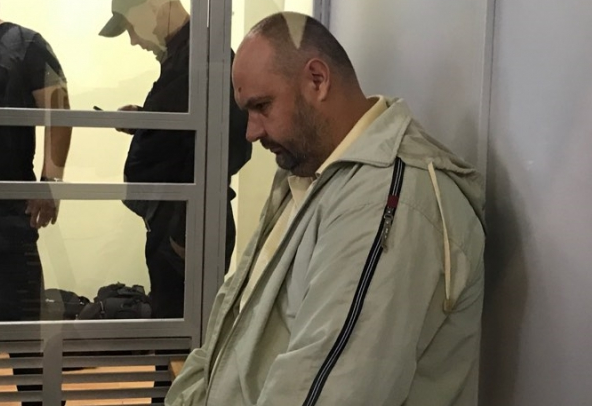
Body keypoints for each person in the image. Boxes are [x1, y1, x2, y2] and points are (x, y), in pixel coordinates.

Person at [165, 12, 486, 406]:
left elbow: (327, 393)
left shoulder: (387, 204)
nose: (251, 131)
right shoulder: (308, 173)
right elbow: (230, 328)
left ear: (317, 80)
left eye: (262, 106)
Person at [99, 0, 250, 319]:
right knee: (173, 325)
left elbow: (233, 140)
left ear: (156, 4)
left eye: (130, 27)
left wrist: (183, 228)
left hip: (188, 223)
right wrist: (145, 120)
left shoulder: (205, 56)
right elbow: (191, 130)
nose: (133, 40)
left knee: (184, 332)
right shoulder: (187, 54)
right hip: (179, 221)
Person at [0, 0, 72, 405]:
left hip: (7, 217)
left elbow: (59, 109)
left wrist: (50, 182)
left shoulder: (26, 45)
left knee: (26, 337)